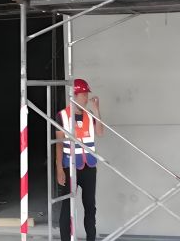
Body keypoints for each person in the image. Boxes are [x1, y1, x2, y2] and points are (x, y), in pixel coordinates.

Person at [56, 78, 104, 241]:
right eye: (83, 94)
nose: (86, 98)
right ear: (74, 95)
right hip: (70, 168)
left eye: (86, 94)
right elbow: (59, 145)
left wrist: (96, 110)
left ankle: (91, 238)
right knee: (66, 208)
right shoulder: (62, 115)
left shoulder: (89, 116)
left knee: (90, 207)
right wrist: (59, 169)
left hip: (89, 167)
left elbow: (100, 132)